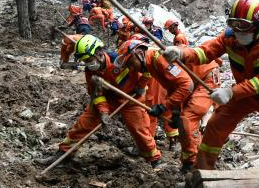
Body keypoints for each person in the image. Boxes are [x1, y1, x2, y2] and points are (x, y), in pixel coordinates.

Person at [164, 0, 259, 171]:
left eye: (243, 26)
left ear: (258, 25)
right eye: (234, 24)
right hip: (243, 94)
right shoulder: (229, 37)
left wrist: (231, 92)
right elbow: (205, 52)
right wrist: (182, 54)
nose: (238, 31)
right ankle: (201, 174)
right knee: (215, 125)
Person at [36, 35, 164, 167]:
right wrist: (103, 111)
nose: (88, 64)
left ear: (99, 53)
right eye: (85, 61)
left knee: (139, 129)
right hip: (108, 99)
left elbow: (146, 69)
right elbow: (96, 94)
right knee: (84, 124)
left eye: (89, 59)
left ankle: (155, 160)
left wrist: (141, 86)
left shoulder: (120, 60)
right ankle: (63, 155)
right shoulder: (90, 71)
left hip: (131, 98)